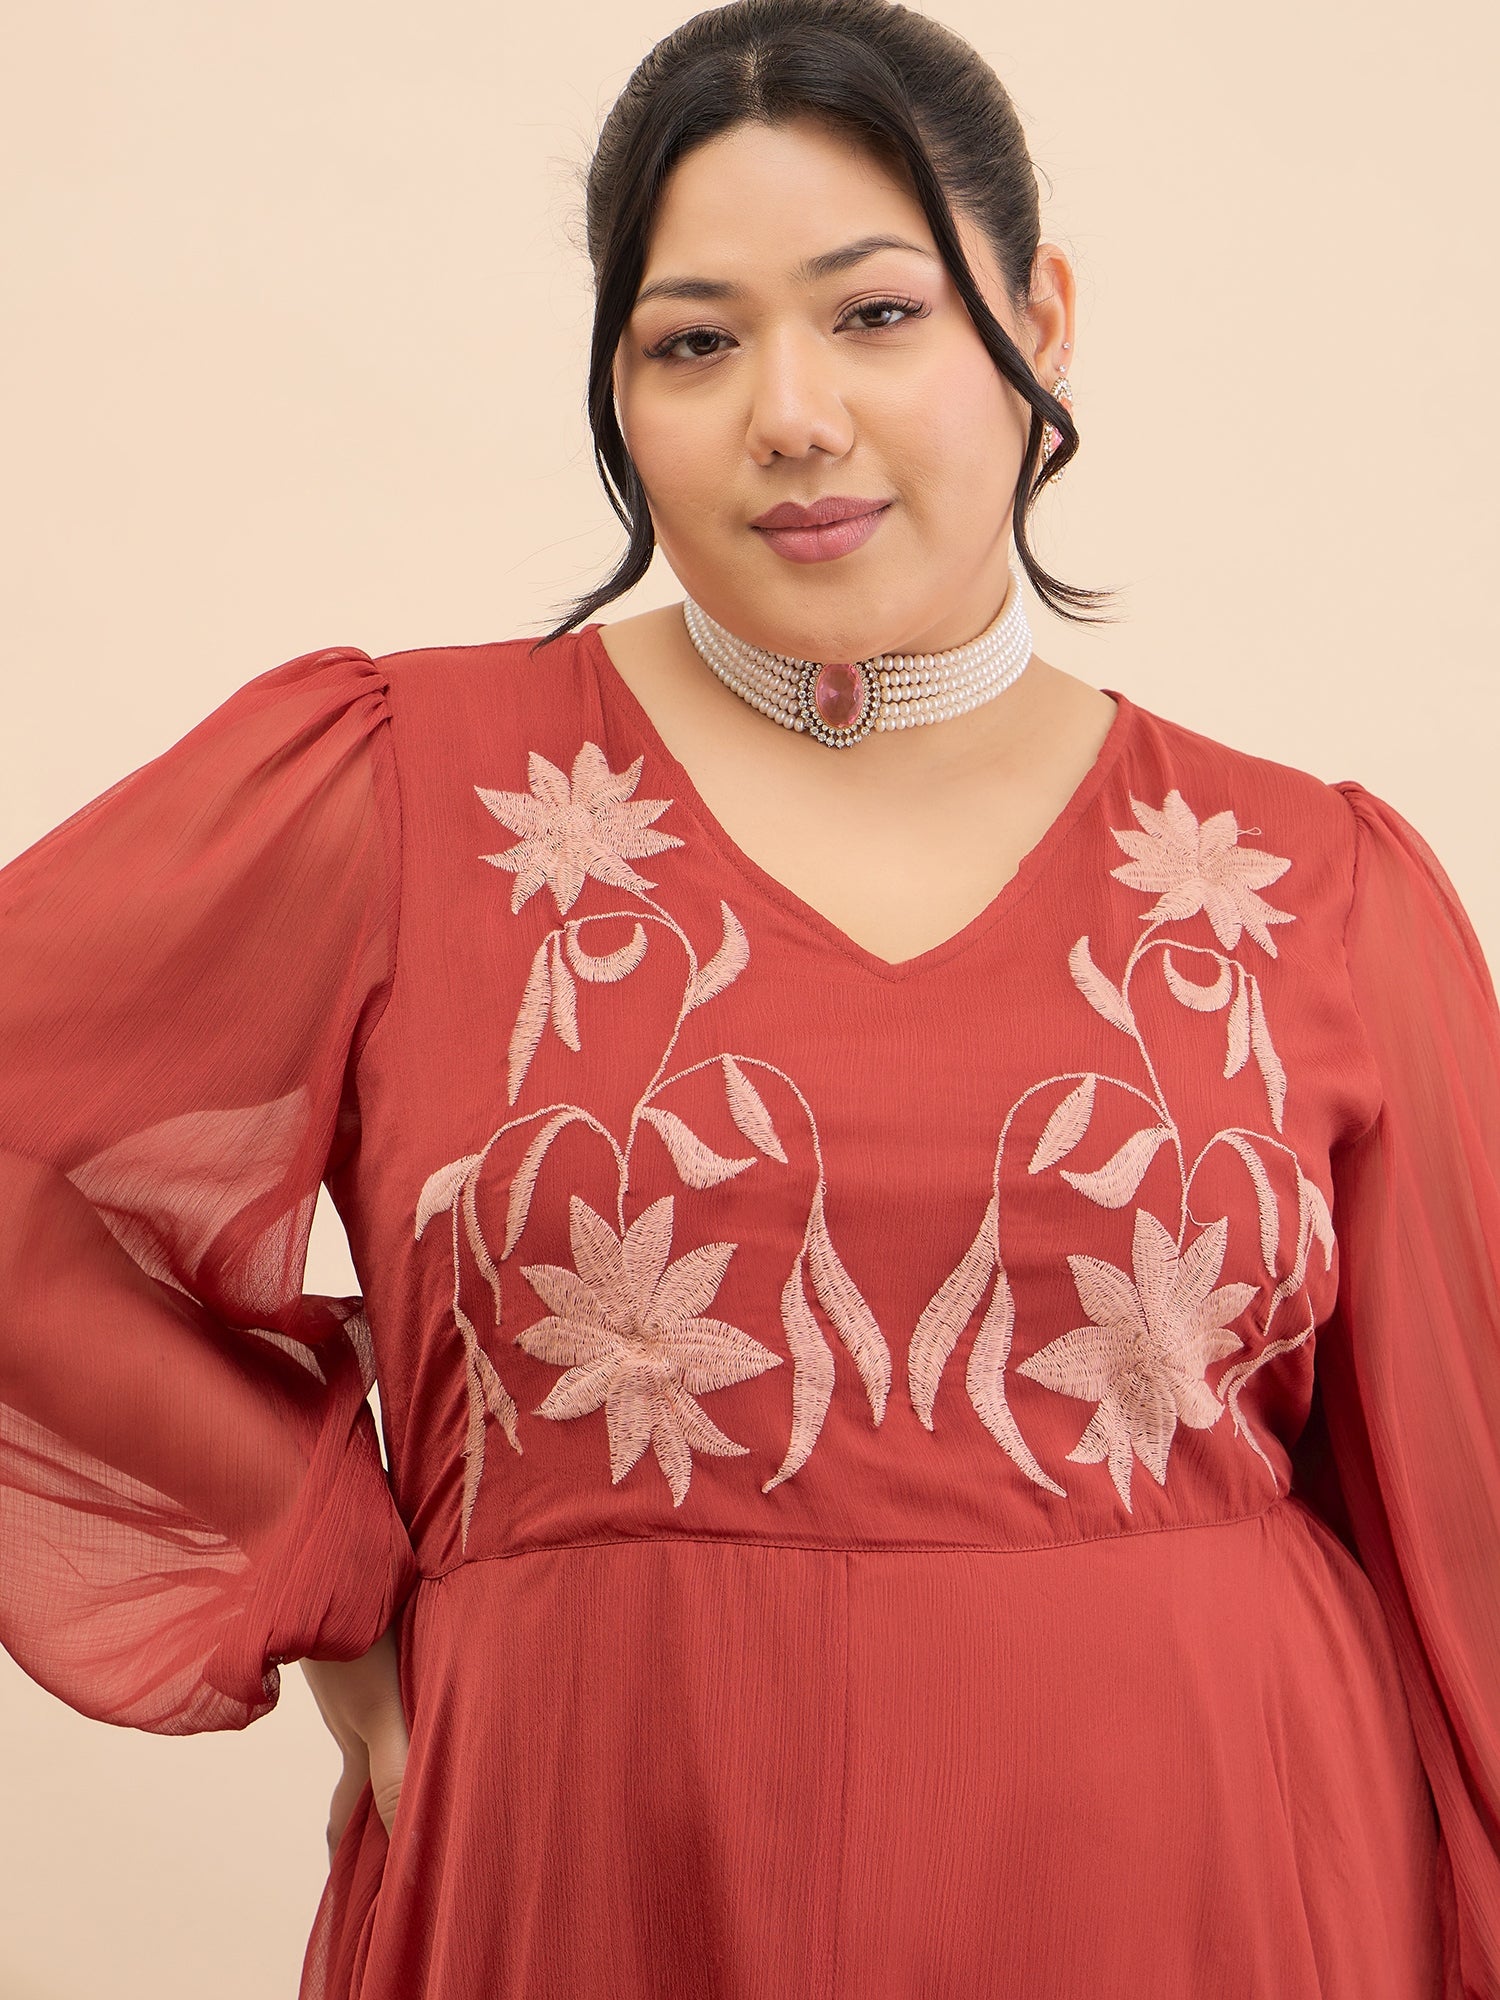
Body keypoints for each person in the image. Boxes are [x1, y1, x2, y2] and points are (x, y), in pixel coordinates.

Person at [1, 0, 1497, 1994]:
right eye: (694, 342)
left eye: (876, 313)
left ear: (1039, 321)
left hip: (1216, 1881)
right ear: (619, 388)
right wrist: (318, 1551)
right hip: (593, 1865)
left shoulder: (1319, 887)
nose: (790, 413)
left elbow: (1474, 1541)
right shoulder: (407, 792)